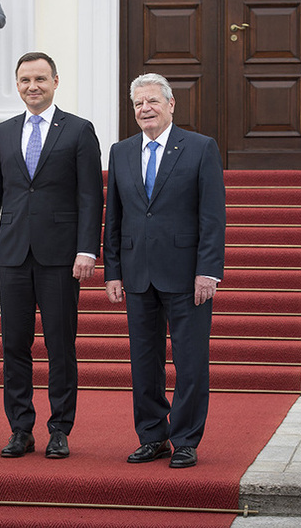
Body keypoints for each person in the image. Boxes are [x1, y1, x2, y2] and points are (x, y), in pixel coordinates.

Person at [0, 52, 103, 459]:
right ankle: (20, 429)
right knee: (14, 344)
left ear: (55, 81)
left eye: (40, 79)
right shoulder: (5, 132)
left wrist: (87, 249)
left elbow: (90, 196)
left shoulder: (79, 131)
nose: (33, 86)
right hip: (12, 253)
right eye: (25, 80)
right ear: (17, 85)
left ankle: (60, 429)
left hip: (61, 256)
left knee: (60, 344)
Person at [103, 73, 225, 469]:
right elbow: (114, 218)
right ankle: (152, 436)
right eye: (138, 103)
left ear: (171, 104)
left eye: (153, 101)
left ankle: (186, 439)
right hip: (138, 274)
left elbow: (212, 216)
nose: (145, 109)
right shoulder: (120, 152)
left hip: (187, 275)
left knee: (190, 361)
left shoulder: (200, 148)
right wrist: (113, 271)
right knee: (144, 361)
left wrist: (208, 270)